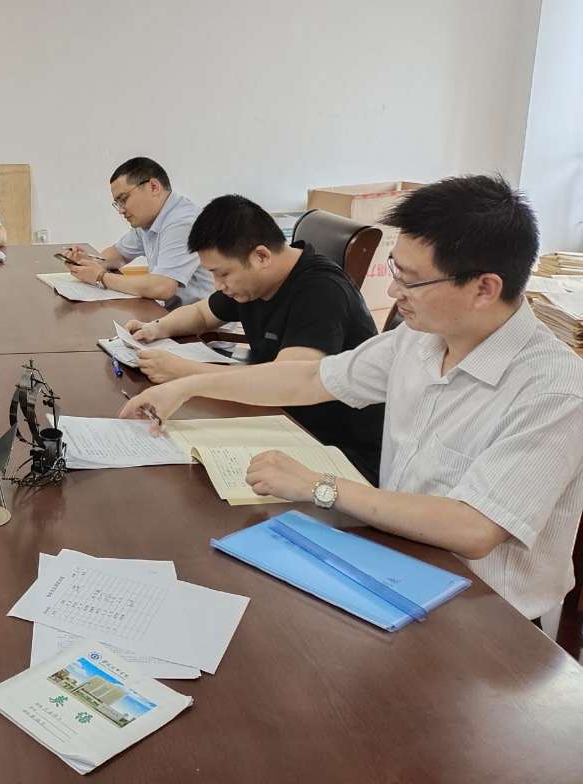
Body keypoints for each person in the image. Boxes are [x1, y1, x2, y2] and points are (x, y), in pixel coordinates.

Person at [121, 175, 583, 628]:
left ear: (484, 288)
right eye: (395, 270)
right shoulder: (419, 340)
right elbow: (308, 378)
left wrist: (318, 485)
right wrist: (189, 386)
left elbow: (473, 528)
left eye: (410, 280)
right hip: (396, 559)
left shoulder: (554, 389)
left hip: (491, 619)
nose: (394, 292)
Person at [122, 194, 385, 482]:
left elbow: (288, 380)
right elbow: (202, 313)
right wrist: (157, 328)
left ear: (261, 256)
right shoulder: (255, 281)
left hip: (335, 449)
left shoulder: (322, 292)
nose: (218, 285)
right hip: (279, 419)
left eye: (222, 274)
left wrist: (183, 374)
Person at [61, 157, 213, 306]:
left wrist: (100, 277)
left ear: (154, 187)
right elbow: (119, 254)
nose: (121, 210)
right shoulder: (149, 219)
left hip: (205, 321)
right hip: (173, 314)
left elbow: (163, 287)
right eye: (117, 203)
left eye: (123, 199)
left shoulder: (183, 222)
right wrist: (89, 262)